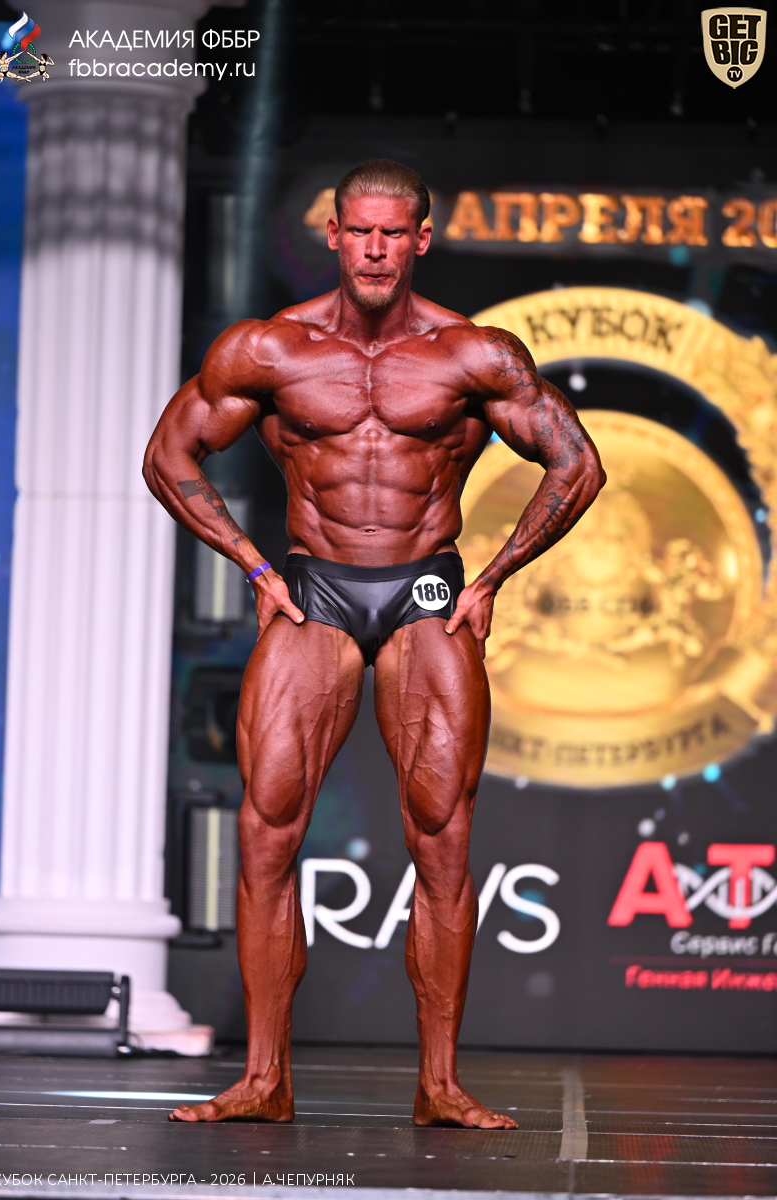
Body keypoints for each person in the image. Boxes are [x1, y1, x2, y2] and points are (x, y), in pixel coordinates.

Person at [144, 159, 605, 1127]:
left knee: (442, 837)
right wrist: (254, 568)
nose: (375, 249)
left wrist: (491, 578)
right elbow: (167, 454)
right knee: (267, 829)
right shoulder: (270, 349)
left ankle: (440, 1084)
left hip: (425, 588)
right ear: (333, 233)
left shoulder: (471, 354)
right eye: (359, 230)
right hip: (312, 585)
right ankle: (263, 1079)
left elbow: (575, 464)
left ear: (421, 238)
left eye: (394, 233)